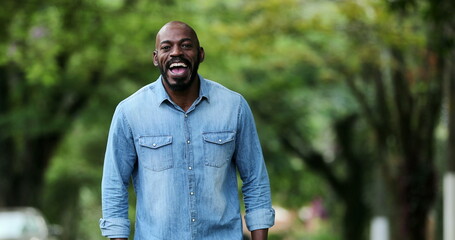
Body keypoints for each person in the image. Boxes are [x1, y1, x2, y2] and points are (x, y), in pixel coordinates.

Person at [99, 21, 275, 240]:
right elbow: (114, 186)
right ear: (155, 58)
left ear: (200, 54)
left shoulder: (234, 107)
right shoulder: (129, 112)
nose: (176, 52)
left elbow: (255, 181)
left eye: (185, 45)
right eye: (166, 47)